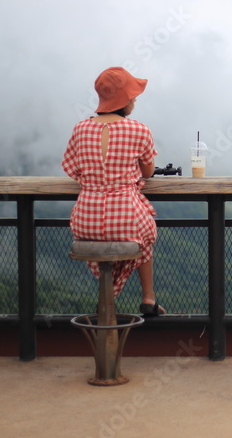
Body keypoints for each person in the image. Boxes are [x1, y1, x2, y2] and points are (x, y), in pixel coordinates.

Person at [62, 66, 166, 317]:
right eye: (132, 95)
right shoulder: (139, 130)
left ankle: (106, 302)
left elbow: (73, 169)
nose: (135, 100)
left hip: (85, 220)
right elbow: (148, 172)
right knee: (145, 236)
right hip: (127, 216)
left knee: (131, 236)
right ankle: (148, 297)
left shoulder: (80, 129)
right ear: (124, 99)